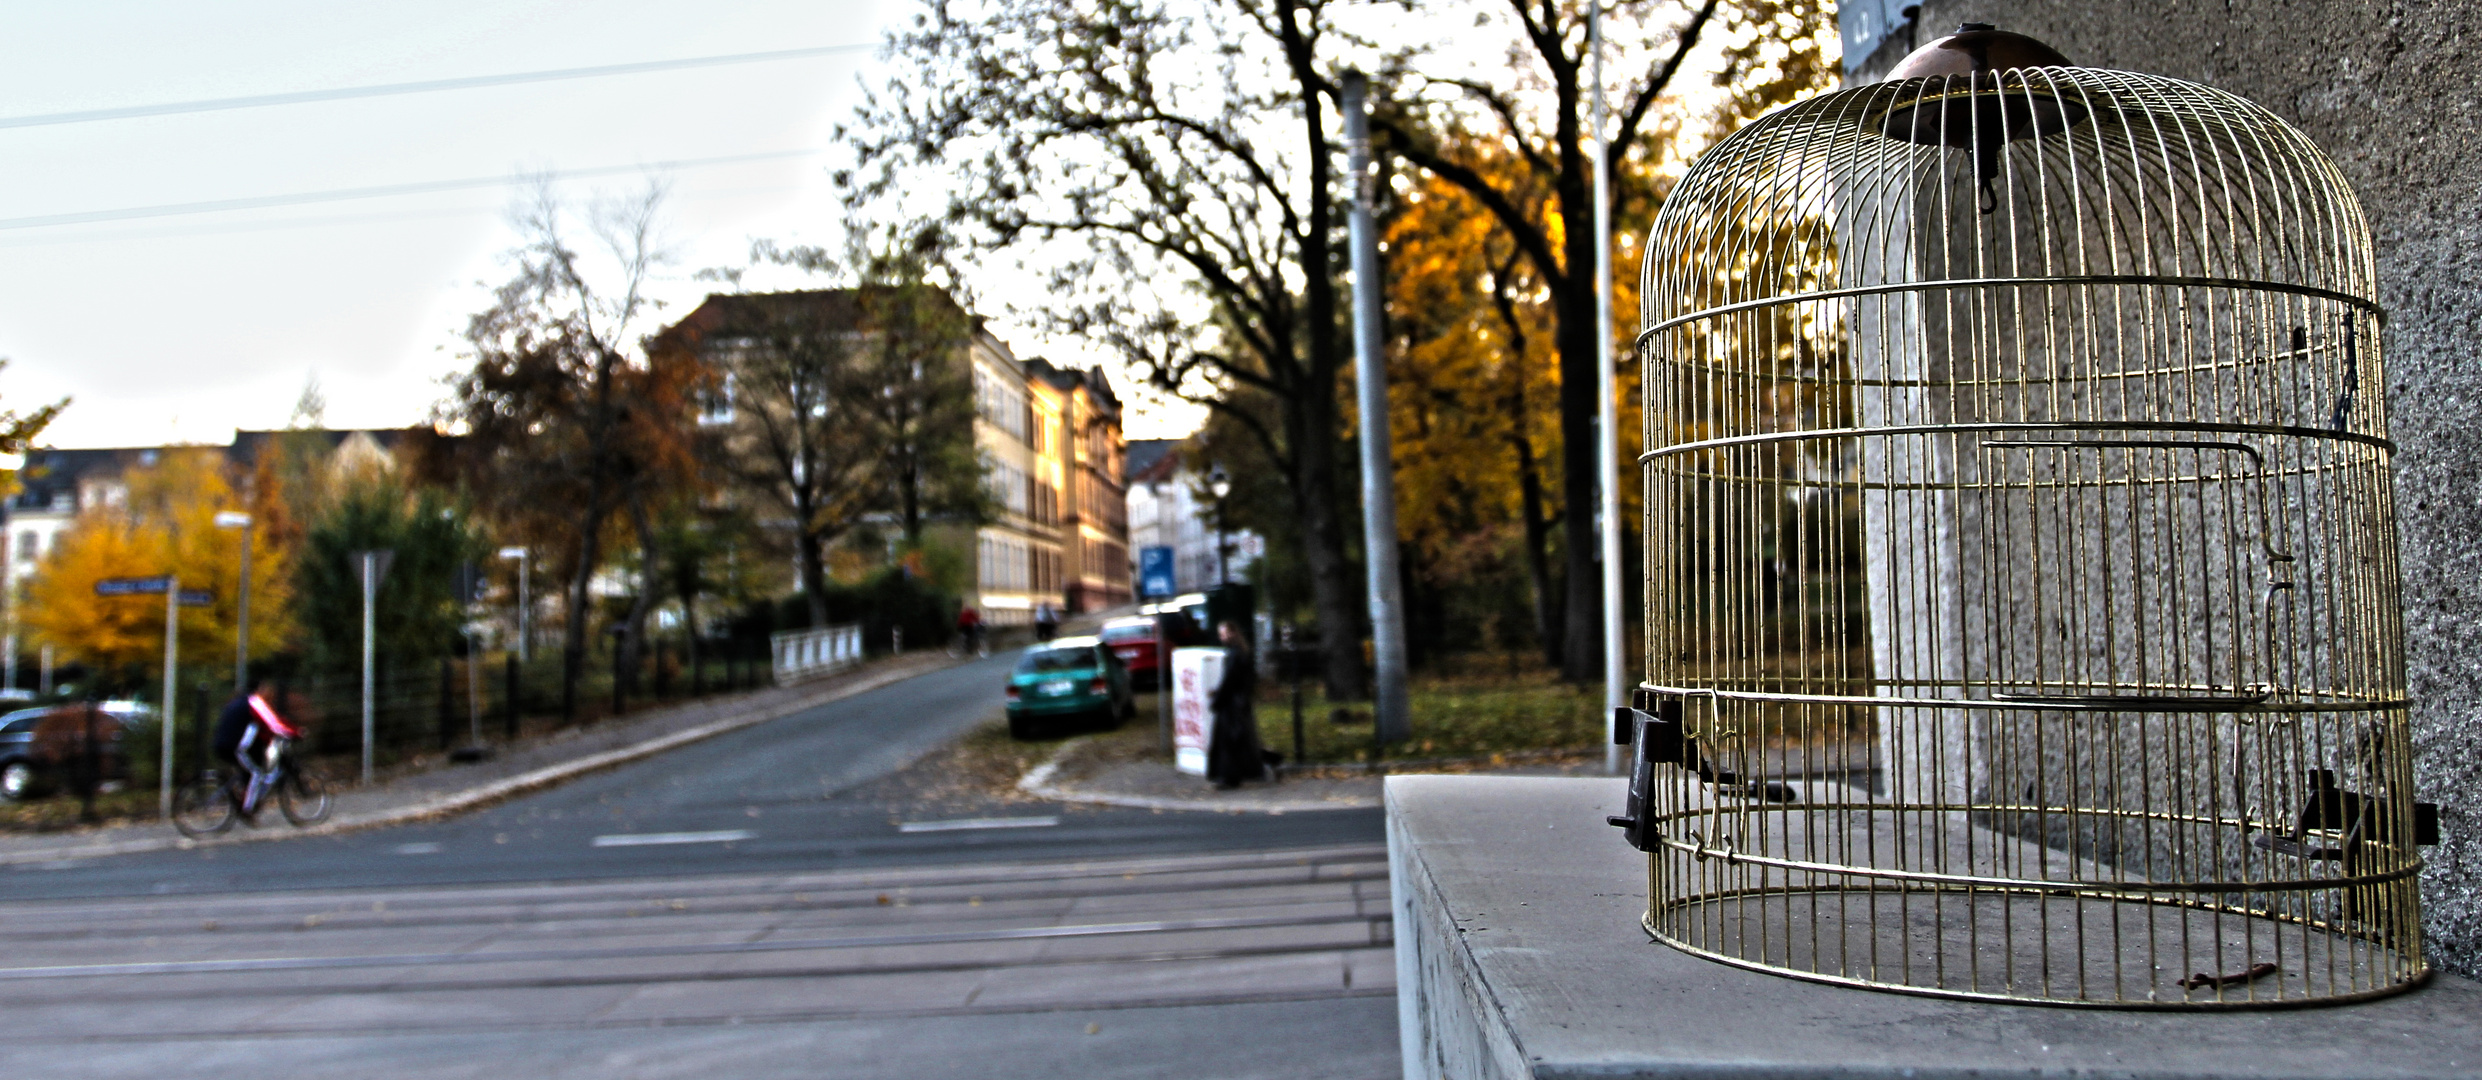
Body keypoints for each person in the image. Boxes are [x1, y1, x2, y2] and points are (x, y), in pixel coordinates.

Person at [212, 679, 301, 815]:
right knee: (256, 772)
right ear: (260, 688)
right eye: (266, 689)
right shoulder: (255, 702)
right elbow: (273, 724)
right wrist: (295, 733)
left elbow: (271, 721)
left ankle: (246, 799)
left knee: (254, 769)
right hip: (236, 747)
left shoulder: (242, 701)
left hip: (228, 743)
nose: (268, 692)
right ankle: (247, 810)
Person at [1206, 620, 1267, 789]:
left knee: (1228, 742)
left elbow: (1229, 681)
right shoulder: (1243, 652)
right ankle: (1241, 773)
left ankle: (1229, 776)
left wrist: (1218, 699)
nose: (1221, 637)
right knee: (1240, 740)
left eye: (1223, 633)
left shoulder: (1234, 654)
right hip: (1240, 701)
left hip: (1231, 704)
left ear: (1231, 633)